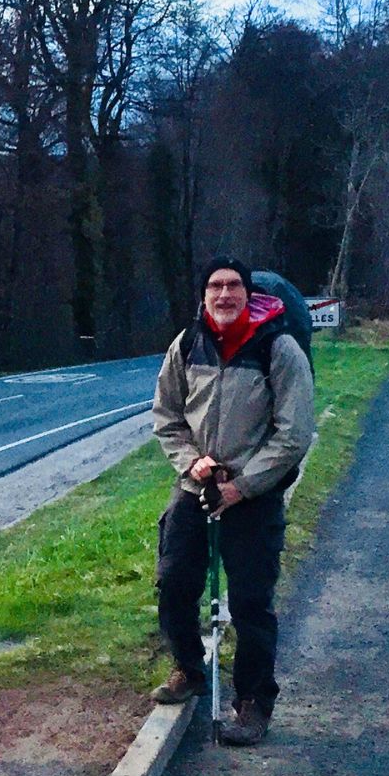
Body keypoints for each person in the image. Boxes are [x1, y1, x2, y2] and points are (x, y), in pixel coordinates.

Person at [150, 256, 314, 745]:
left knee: (250, 603)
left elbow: (294, 433)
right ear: (204, 296)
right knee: (175, 581)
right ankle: (190, 670)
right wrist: (192, 463)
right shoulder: (186, 344)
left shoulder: (279, 349)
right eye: (215, 287)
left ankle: (252, 702)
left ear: (249, 294)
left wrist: (243, 486)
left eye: (233, 287)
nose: (224, 295)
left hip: (254, 495)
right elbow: (167, 416)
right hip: (196, 488)